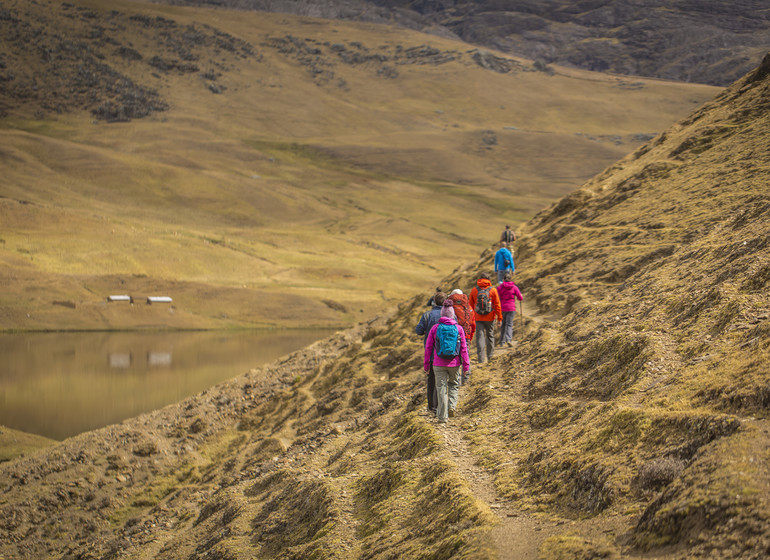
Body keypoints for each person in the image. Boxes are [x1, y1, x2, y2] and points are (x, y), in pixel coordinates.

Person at [423, 300, 471, 423]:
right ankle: (451, 406)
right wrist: (466, 367)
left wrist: (427, 365)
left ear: (442, 315)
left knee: (441, 388)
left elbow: (428, 348)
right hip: (454, 364)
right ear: (452, 314)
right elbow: (464, 349)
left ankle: (442, 417)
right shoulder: (459, 328)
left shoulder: (435, 328)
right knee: (454, 385)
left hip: (438, 364)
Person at [416, 290, 446, 413]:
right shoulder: (450, 315)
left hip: (432, 353)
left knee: (432, 380)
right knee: (444, 380)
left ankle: (432, 407)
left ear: (434, 301)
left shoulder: (427, 315)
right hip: (447, 352)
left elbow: (419, 331)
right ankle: (443, 407)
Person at [468, 272, 502, 363]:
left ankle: (481, 359)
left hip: (478, 318)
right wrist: (499, 318)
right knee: (490, 336)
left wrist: (470, 318)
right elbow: (497, 305)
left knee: (480, 337)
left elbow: (470, 306)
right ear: (489, 280)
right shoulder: (493, 290)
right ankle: (490, 356)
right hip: (490, 317)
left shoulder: (474, 290)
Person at [447, 288, 475, 383]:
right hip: (465, 335)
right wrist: (469, 337)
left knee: (454, 357)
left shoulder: (449, 307)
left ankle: (456, 379)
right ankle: (466, 378)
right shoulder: (468, 307)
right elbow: (472, 324)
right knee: (465, 355)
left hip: (452, 336)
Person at [497, 271, 523, 346]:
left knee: (503, 324)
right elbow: (520, 298)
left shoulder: (500, 288)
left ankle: (502, 341)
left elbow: (496, 296)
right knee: (509, 324)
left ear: (503, 279)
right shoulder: (514, 287)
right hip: (511, 308)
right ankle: (508, 339)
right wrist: (521, 296)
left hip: (503, 308)